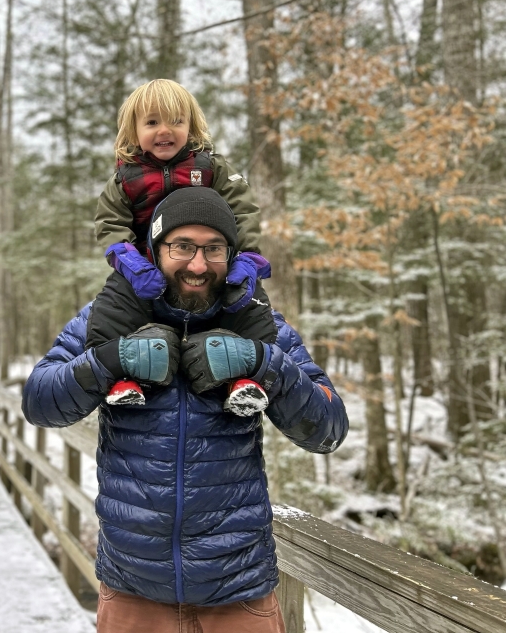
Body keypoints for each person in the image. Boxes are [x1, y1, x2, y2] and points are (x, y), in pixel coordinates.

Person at [22, 189, 348, 633]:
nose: (198, 265)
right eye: (182, 247)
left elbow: (328, 429)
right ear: (155, 250)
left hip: (238, 592)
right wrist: (108, 361)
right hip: (133, 591)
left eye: (214, 249)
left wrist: (263, 363)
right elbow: (39, 402)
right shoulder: (108, 318)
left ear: (231, 254)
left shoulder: (258, 323)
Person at [95, 79, 270, 411]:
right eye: (152, 122)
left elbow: (244, 210)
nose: (165, 130)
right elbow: (110, 223)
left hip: (207, 263)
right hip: (146, 269)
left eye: (176, 121)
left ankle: (247, 379)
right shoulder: (124, 180)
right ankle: (120, 377)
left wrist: (247, 258)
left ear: (191, 126)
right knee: (115, 304)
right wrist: (130, 262)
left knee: (248, 302)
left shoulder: (211, 168)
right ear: (134, 131)